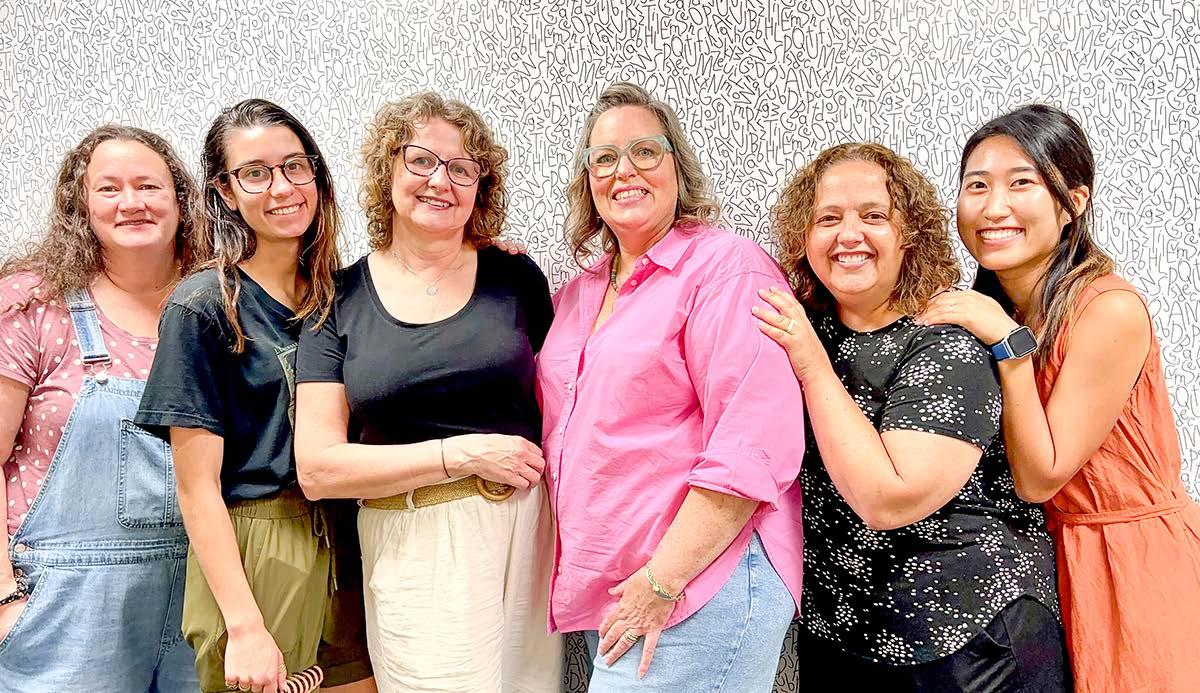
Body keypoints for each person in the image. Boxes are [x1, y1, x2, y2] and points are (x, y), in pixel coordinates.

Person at [755, 142, 1066, 690]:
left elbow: (889, 499)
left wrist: (811, 364)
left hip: (967, 641)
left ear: (910, 236)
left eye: (874, 216)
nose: (849, 234)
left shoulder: (947, 341)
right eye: (828, 219)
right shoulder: (808, 327)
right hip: (842, 639)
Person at [920, 104, 1200, 692]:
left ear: (1073, 202)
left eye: (1021, 183)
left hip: (1130, 563)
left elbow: (1040, 476)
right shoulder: (993, 310)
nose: (993, 207)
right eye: (977, 185)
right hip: (1044, 567)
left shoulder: (1108, 309)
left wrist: (1009, 346)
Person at [537, 82, 804, 692]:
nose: (624, 170)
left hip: (695, 584)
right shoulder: (578, 294)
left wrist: (662, 581)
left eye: (645, 151)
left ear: (677, 168)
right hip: (616, 589)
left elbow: (751, 444)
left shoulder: (727, 269)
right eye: (604, 158)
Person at [293, 91, 563, 693]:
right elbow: (318, 469)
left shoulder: (515, 277)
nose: (440, 180)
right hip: (415, 541)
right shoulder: (338, 300)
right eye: (421, 160)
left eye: (462, 168)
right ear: (387, 170)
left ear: (480, 188)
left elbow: (569, 397)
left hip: (526, 532)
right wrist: (458, 456)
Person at [134, 99, 374, 693]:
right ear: (225, 190)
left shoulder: (341, 296)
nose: (282, 188)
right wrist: (244, 627)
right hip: (261, 544)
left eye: (295, 166)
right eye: (255, 173)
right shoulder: (203, 306)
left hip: (350, 540)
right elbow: (196, 488)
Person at [0, 125, 204, 690]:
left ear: (180, 200)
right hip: (66, 611)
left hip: (201, 598)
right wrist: (4, 597)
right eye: (109, 188)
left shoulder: (217, 306)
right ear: (80, 206)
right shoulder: (32, 304)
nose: (131, 202)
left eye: (149, 186)